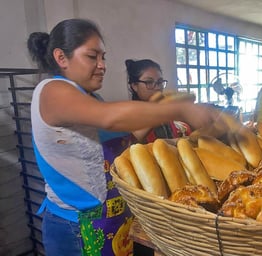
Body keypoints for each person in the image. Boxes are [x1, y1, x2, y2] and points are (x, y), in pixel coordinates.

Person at [27, 18, 217, 256]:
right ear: (61, 57)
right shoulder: (51, 91)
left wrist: (161, 107)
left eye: (103, 57)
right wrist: (180, 109)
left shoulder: (88, 98)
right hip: (76, 228)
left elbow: (117, 134)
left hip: (112, 221)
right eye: (92, 56)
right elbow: (111, 118)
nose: (102, 65)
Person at [125, 59, 191, 143]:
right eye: (149, 82)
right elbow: (132, 143)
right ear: (134, 86)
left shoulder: (164, 108)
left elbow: (170, 137)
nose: (157, 87)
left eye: (160, 82)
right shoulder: (129, 113)